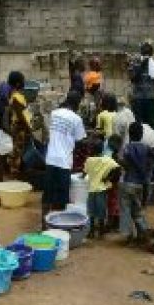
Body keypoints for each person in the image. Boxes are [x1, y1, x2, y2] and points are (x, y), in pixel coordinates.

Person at [43, 91, 87, 225]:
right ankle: (59, 225)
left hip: (50, 159)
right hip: (64, 162)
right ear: (77, 103)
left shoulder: (55, 113)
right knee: (62, 197)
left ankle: (44, 223)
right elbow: (80, 141)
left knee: (48, 194)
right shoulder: (76, 119)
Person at [119, 122, 154, 245]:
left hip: (128, 182)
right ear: (141, 134)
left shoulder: (127, 148)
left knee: (126, 210)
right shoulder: (146, 148)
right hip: (140, 184)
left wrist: (120, 162)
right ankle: (143, 233)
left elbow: (124, 163)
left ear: (129, 134)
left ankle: (127, 235)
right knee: (138, 210)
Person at [83, 139, 120, 240]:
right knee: (101, 211)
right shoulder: (107, 160)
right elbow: (118, 168)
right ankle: (101, 231)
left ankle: (91, 231)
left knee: (91, 211)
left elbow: (85, 173)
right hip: (102, 189)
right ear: (102, 149)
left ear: (91, 149)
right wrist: (108, 178)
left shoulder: (89, 160)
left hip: (91, 189)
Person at [128, 41, 154, 128]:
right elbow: (133, 79)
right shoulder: (135, 62)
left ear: (151, 53)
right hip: (138, 97)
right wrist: (141, 66)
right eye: (145, 52)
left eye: (148, 52)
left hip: (150, 97)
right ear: (141, 52)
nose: (146, 55)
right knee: (138, 122)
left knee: (150, 123)